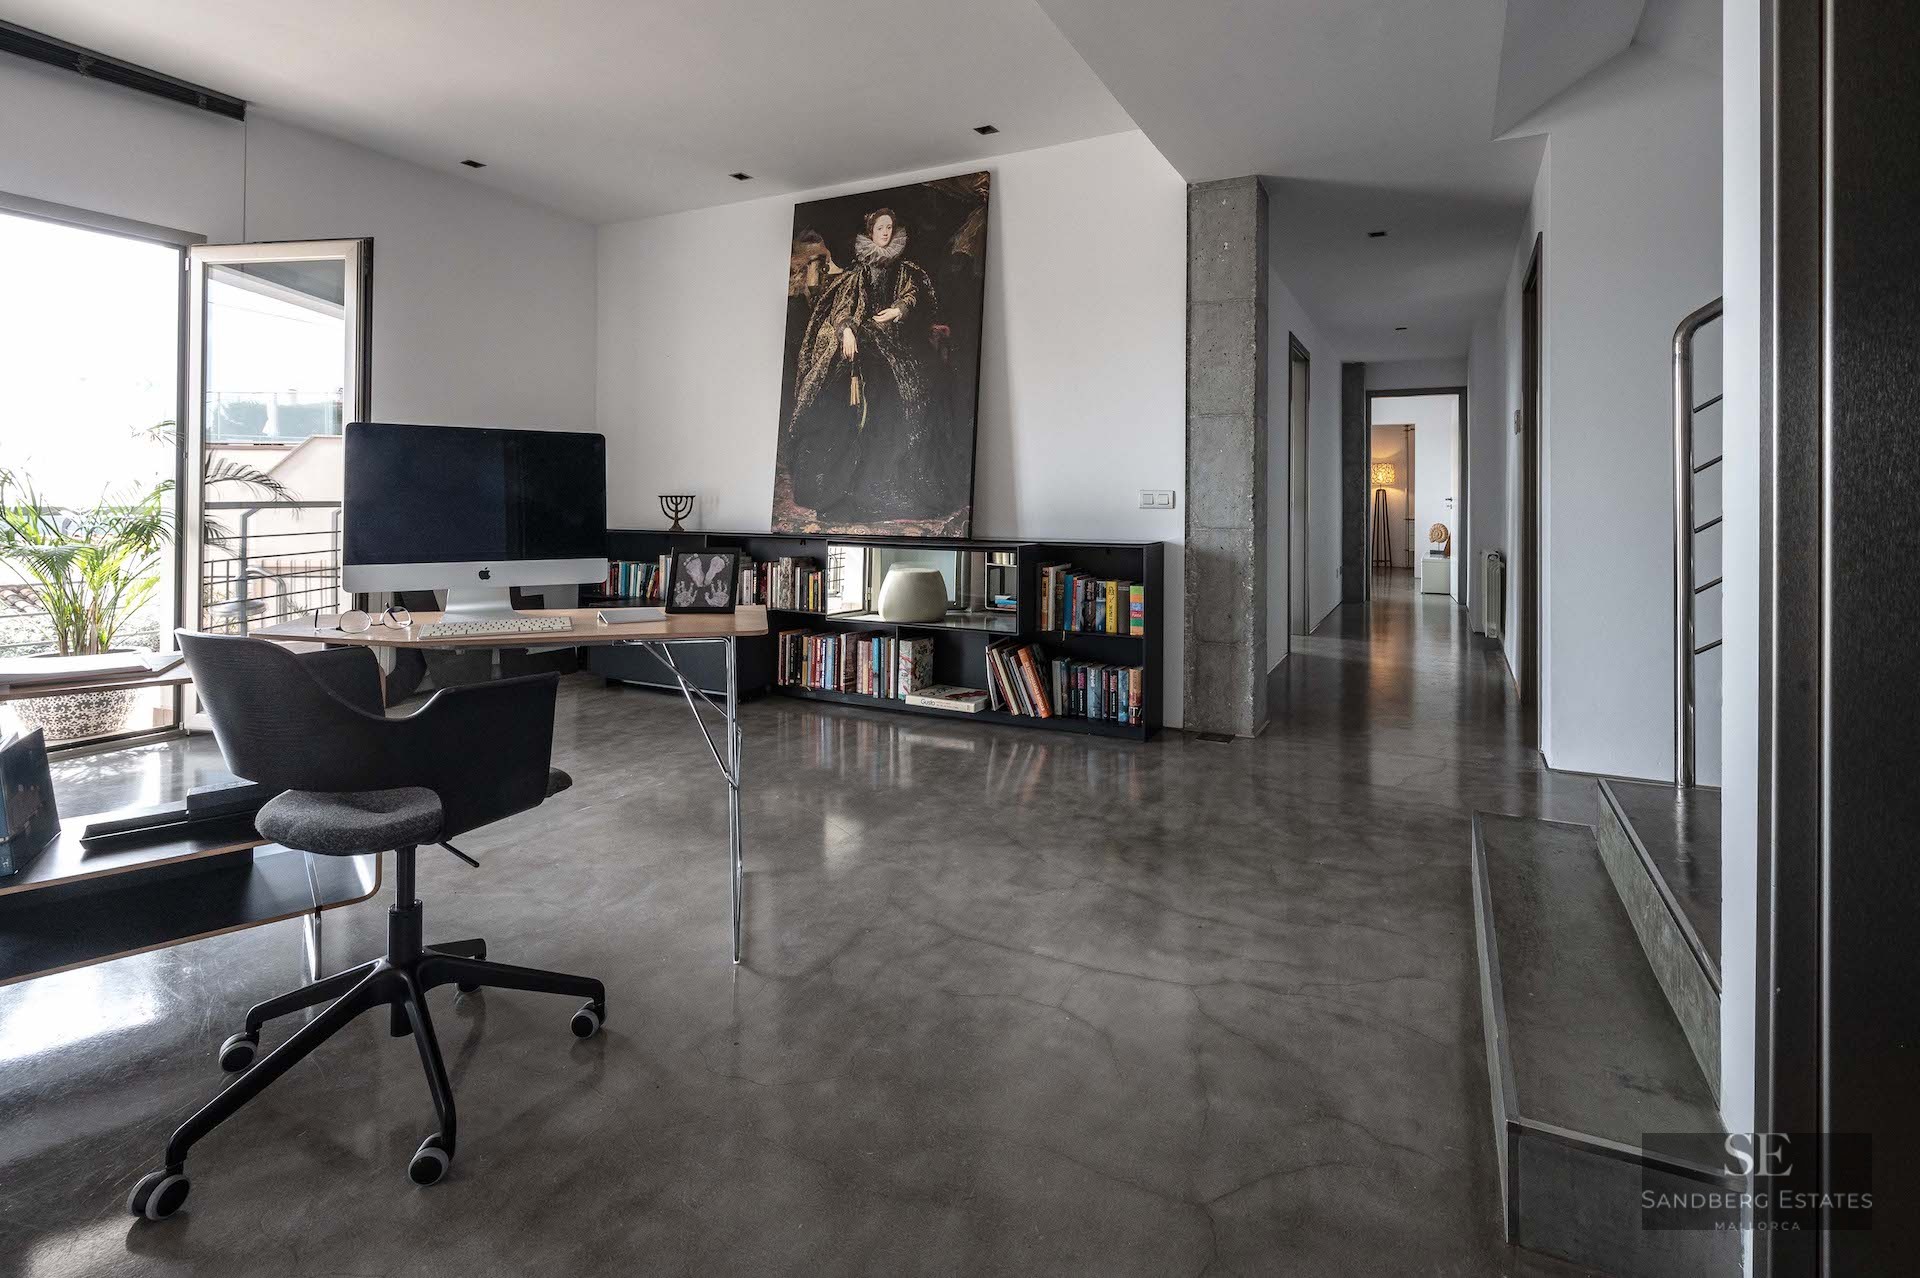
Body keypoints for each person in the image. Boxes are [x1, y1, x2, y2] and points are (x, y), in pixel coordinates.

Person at [785, 208, 947, 524]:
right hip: (863, 337)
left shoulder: (905, 270)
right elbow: (844, 306)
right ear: (871, 232)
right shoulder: (858, 273)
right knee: (846, 391)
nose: (885, 232)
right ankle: (841, 482)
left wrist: (897, 310)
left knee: (901, 388)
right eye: (880, 227)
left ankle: (886, 479)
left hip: (896, 340)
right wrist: (846, 329)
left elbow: (911, 296)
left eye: (889, 227)